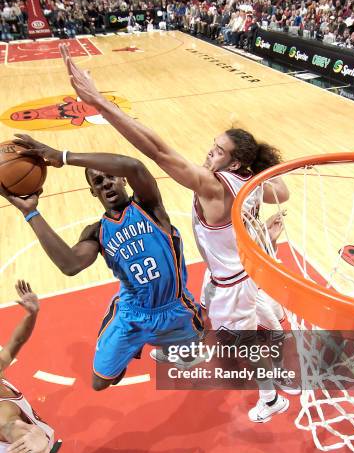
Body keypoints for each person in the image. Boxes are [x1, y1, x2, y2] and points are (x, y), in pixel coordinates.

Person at [59, 45, 299, 424]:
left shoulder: (212, 186)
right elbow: (281, 191)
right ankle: (276, 336)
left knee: (244, 345)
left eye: (219, 152)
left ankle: (271, 398)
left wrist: (99, 101)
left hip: (232, 281)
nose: (209, 154)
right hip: (245, 271)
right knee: (240, 309)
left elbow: (155, 149)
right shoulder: (249, 180)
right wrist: (257, 170)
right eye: (213, 145)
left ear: (234, 162)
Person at [1, 140, 203, 393]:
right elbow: (70, 265)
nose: (106, 182)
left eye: (111, 177)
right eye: (97, 182)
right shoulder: (97, 232)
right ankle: (133, 345)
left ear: (124, 181)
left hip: (174, 309)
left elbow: (133, 165)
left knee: (193, 361)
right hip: (131, 316)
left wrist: (64, 156)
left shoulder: (148, 206)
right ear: (93, 192)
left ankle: (159, 342)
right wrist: (31, 213)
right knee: (101, 383)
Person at [0, 281, 137, 453]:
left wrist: (31, 315)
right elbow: (12, 429)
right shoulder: (3, 416)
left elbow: (14, 345)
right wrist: (36, 438)